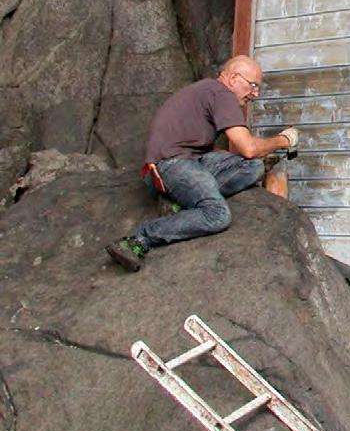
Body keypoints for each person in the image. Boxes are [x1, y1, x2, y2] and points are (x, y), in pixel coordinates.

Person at [105, 55, 299, 272]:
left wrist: (233, 160)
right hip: (171, 165)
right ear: (234, 78)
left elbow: (231, 153)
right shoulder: (221, 94)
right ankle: (139, 239)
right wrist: (284, 140)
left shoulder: (207, 91)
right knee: (217, 215)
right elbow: (249, 148)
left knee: (253, 166)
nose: (255, 94)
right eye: (253, 86)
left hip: (187, 161)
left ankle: (182, 203)